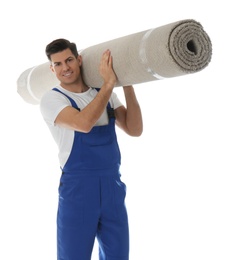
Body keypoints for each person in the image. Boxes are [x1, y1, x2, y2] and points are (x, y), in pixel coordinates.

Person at [40, 38, 143, 260]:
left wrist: (127, 82)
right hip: (78, 191)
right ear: (52, 68)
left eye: (68, 60)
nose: (65, 68)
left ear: (79, 60)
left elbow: (134, 129)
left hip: (112, 187)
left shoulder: (104, 93)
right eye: (58, 64)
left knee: (118, 256)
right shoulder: (52, 99)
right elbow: (83, 124)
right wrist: (108, 85)